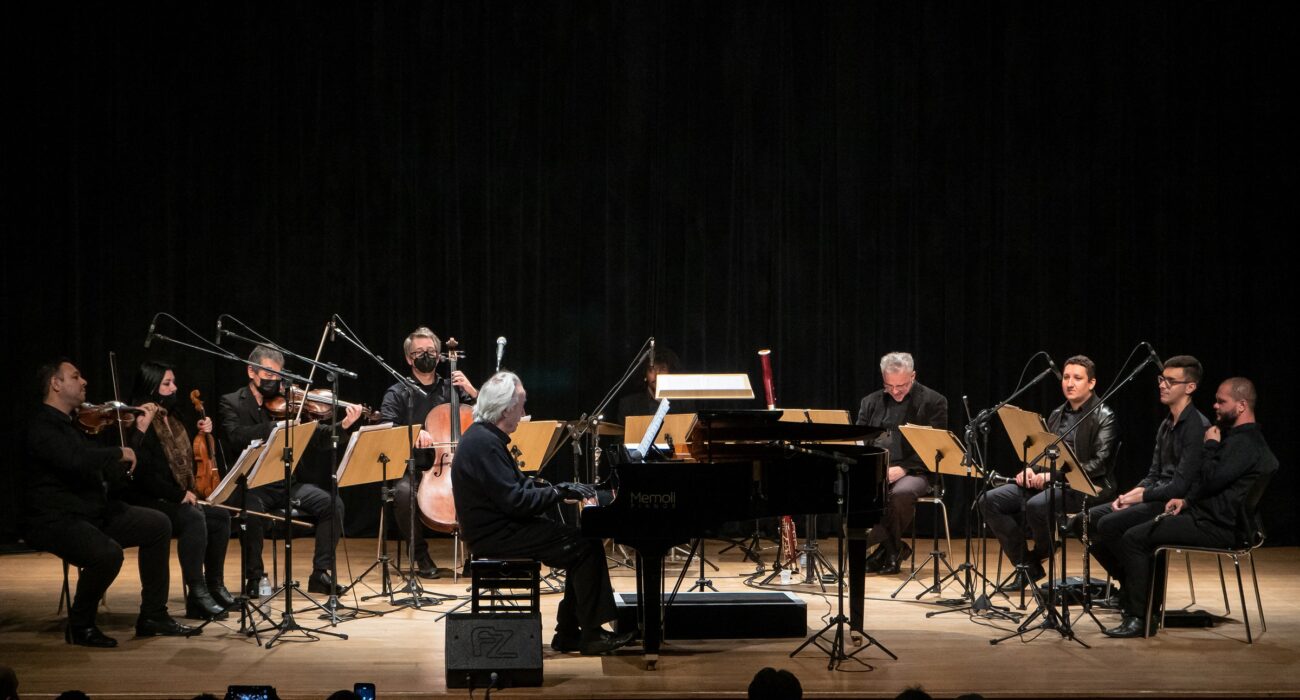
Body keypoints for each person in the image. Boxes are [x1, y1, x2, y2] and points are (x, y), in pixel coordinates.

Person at [451, 371, 633, 655]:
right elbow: (516, 501)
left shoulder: (484, 437)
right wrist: (560, 492)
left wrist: (560, 490)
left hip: (499, 528)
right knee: (585, 544)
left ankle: (570, 634)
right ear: (507, 408)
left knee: (581, 542)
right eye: (521, 406)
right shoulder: (484, 443)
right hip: (496, 536)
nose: (524, 412)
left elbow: (517, 487)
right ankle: (590, 635)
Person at [21, 359, 195, 647]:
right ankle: (80, 625)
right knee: (108, 554)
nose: (84, 382)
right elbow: (75, 461)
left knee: (158, 523)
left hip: (90, 511)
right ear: (56, 384)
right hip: (55, 518)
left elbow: (109, 473)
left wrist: (132, 444)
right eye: (75, 376)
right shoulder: (42, 426)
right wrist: (118, 452)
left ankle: (153, 615)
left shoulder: (73, 425)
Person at [1104, 377, 1277, 637]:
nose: (1215, 406)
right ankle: (1142, 607)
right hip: (1211, 519)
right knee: (1139, 534)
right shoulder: (1244, 439)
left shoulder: (1242, 444)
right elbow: (1214, 485)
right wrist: (1186, 501)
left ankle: (1139, 617)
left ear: (1241, 406)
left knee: (1134, 539)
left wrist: (1209, 446)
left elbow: (1208, 479)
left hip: (1217, 527)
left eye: (1221, 401)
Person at [218, 345, 362, 597]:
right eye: (269, 375)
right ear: (251, 372)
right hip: (252, 484)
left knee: (333, 504)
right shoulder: (231, 402)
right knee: (252, 512)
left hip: (286, 484)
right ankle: (254, 577)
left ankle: (320, 573)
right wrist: (274, 427)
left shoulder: (290, 402)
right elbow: (235, 437)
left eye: (278, 376)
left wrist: (344, 424)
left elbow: (318, 437)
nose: (275, 381)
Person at [979, 355, 1117, 591]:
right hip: (1050, 481)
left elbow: (1098, 464)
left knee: (1037, 505)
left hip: (1086, 486)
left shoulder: (1105, 416)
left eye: (1077, 378)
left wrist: (1052, 477)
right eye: (1066, 377)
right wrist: (1030, 469)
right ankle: (1027, 564)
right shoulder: (1056, 414)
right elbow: (1044, 452)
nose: (1069, 383)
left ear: (1091, 383)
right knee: (989, 500)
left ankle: (1044, 551)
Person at [113, 360, 234, 620]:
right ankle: (197, 594)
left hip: (170, 495)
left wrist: (203, 434)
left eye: (173, 382)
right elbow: (139, 474)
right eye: (167, 384)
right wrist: (178, 495)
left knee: (220, 516)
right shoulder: (132, 421)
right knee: (192, 516)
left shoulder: (174, 417)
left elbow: (184, 459)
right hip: (144, 499)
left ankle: (215, 586)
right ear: (151, 387)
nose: (174, 388)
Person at [1084, 356, 1209, 593]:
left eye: (1171, 381)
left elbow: (1179, 486)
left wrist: (1139, 498)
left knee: (1110, 524)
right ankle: (1129, 581)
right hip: (1156, 496)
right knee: (1084, 520)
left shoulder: (1196, 427)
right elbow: (1153, 474)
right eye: (1162, 379)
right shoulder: (1166, 424)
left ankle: (1139, 589)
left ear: (1190, 387)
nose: (1162, 385)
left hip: (1174, 504)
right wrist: (1129, 495)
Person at [378, 327, 477, 579]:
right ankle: (420, 556)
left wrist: (473, 390)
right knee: (402, 494)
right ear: (409, 358)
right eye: (420, 352)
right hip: (412, 467)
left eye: (431, 352)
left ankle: (476, 554)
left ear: (440, 356)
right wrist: (411, 433)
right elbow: (385, 429)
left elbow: (485, 416)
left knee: (483, 487)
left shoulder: (452, 388)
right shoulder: (397, 392)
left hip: (452, 465)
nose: (426, 356)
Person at [854, 352, 948, 574]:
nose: (895, 391)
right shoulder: (870, 402)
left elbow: (936, 448)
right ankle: (894, 549)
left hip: (918, 471)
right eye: (889, 385)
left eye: (902, 386)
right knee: (851, 492)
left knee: (900, 494)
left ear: (913, 376)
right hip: (878, 469)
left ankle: (883, 551)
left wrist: (904, 468)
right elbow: (860, 441)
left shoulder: (934, 401)